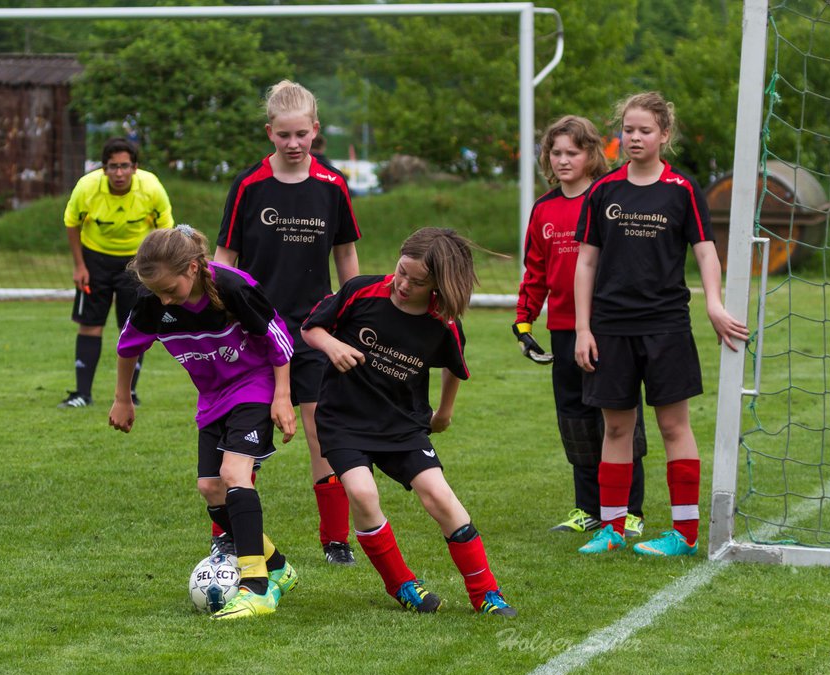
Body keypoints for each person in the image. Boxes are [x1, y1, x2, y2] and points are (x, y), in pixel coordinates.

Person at [301, 228, 517, 616]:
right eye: (402, 272)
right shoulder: (361, 291)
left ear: (438, 284)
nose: (404, 284)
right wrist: (332, 345)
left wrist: (444, 413)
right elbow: (311, 327)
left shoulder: (441, 321)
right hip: (343, 420)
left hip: (402, 424)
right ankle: (402, 585)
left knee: (441, 497)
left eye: (417, 281)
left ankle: (486, 593)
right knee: (364, 495)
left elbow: (455, 367)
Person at [573, 92, 749, 556]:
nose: (634, 137)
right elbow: (586, 263)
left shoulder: (682, 190)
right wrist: (583, 328)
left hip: (666, 324)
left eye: (644, 130)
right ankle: (612, 530)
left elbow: (705, 250)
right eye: (628, 129)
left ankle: (684, 534)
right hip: (610, 326)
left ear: (664, 136)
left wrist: (713, 303)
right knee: (616, 428)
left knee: (674, 426)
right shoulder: (603, 190)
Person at [110, 226, 299, 621]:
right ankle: (278, 565)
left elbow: (278, 339)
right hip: (213, 396)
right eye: (157, 292)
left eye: (170, 290)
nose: (164, 299)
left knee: (234, 474)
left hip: (256, 384)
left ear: (193, 268)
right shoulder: (151, 300)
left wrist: (282, 397)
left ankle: (257, 587)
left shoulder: (233, 287)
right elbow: (128, 347)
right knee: (210, 488)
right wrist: (122, 398)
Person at [215, 79, 361, 566]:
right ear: (269, 133)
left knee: (322, 431)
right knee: (246, 435)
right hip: (255, 332)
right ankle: (235, 534)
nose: (294, 144)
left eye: (303, 134)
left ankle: (335, 538)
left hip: (314, 330)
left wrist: (352, 313)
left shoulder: (332, 185)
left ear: (316, 130)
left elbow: (346, 254)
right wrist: (226, 317)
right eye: (284, 136)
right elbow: (225, 258)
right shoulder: (249, 185)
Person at [514, 115, 647, 539]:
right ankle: (587, 508)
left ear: (592, 155)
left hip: (610, 328)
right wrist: (524, 320)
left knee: (617, 419)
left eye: (573, 152)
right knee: (575, 420)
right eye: (556, 152)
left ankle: (630, 510)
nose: (564, 160)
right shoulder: (544, 209)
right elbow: (535, 271)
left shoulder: (611, 199)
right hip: (564, 330)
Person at [60, 138, 174, 409]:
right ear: (104, 168)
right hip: (94, 259)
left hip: (136, 263)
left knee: (134, 326)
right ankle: (81, 394)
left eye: (124, 166)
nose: (119, 173)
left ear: (135, 168)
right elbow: (71, 223)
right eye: (113, 167)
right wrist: (79, 266)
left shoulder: (151, 187)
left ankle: (130, 393)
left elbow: (165, 232)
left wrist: (158, 271)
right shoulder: (87, 187)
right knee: (90, 324)